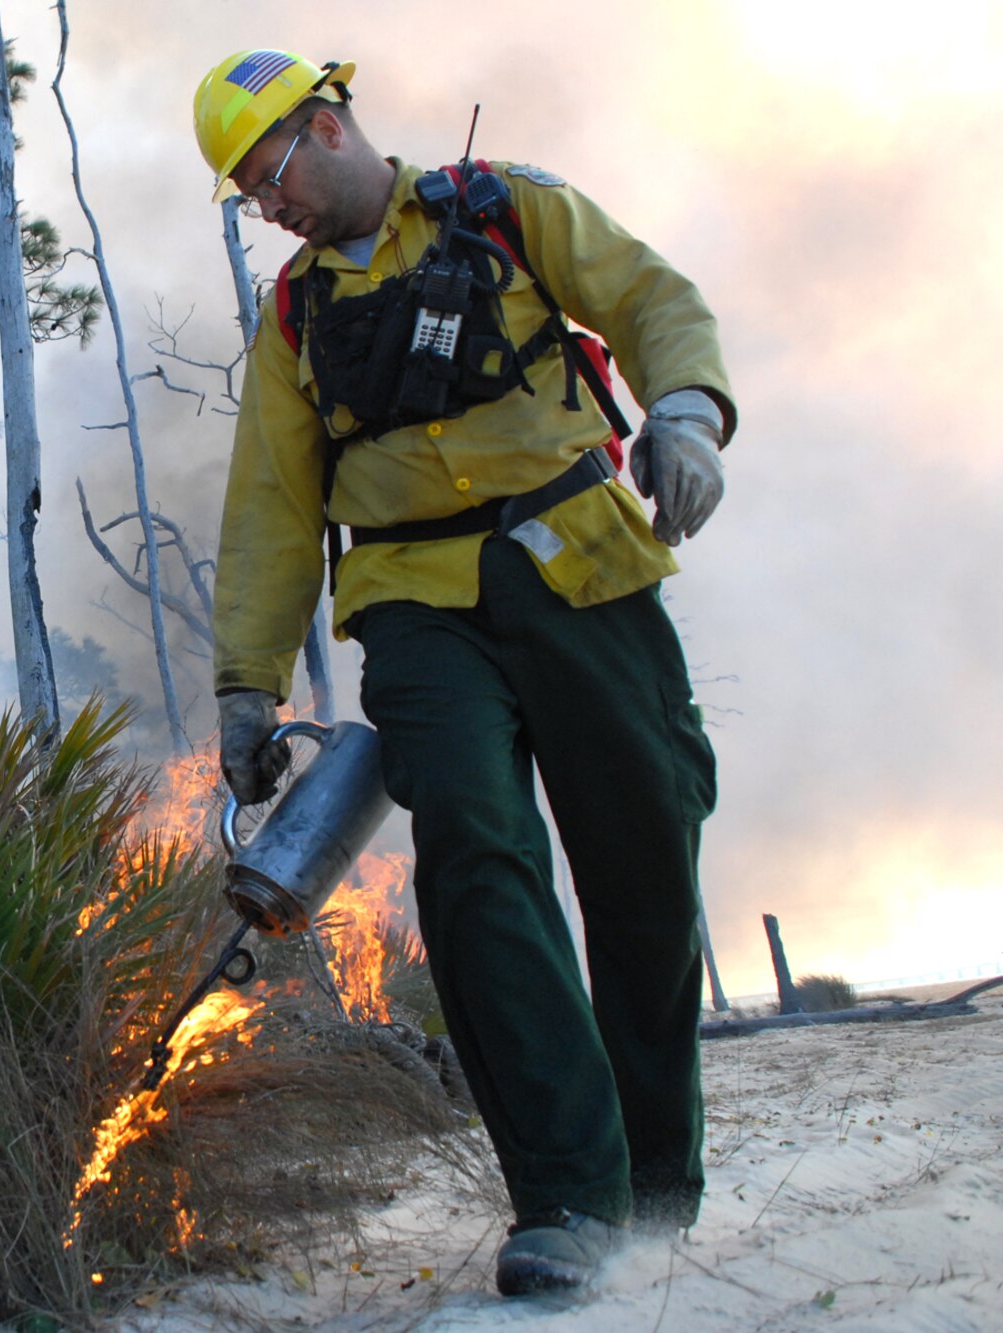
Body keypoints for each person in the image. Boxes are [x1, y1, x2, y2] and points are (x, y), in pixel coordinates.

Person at [192, 50, 733, 1296]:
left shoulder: (506, 208)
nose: (263, 204)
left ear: (325, 127)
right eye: (243, 192)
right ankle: (566, 1197)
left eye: (266, 173)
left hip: (581, 567)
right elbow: (271, 506)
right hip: (416, 611)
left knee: (643, 854)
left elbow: (652, 298)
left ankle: (653, 1181)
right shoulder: (292, 321)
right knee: (475, 859)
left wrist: (687, 413)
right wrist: (244, 684)